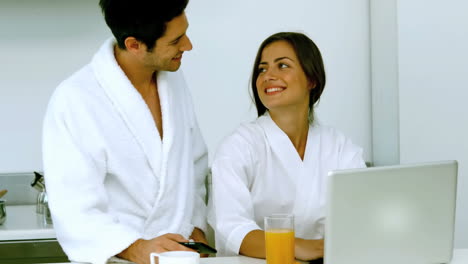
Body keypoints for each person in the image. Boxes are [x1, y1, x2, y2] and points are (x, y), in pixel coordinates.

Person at [42, 1, 209, 263]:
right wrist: (137, 248)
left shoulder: (174, 82)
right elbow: (73, 208)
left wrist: (196, 227)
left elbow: (194, 166)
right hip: (118, 258)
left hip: (178, 255)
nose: (188, 45)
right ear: (134, 45)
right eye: (176, 40)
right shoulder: (76, 99)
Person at [207, 32, 366, 261]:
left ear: (312, 79)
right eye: (262, 69)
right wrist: (303, 248)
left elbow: (362, 219)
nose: (268, 76)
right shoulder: (239, 146)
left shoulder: (340, 148)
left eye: (282, 65)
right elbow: (233, 229)